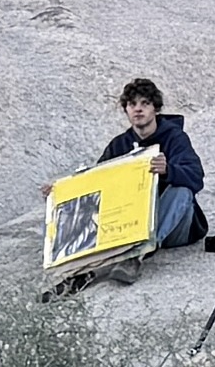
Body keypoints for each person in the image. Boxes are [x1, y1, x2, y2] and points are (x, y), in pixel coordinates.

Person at [71, 80, 203, 286]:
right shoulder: (119, 144)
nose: (138, 109)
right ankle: (79, 268)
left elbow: (196, 177)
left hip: (174, 227)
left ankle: (136, 255)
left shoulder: (174, 138)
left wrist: (169, 170)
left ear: (155, 108)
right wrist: (60, 192)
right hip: (133, 224)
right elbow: (95, 183)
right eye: (132, 104)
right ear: (126, 110)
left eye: (145, 103)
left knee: (182, 190)